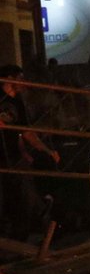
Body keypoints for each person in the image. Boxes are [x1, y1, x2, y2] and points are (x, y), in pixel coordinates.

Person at [0, 65, 60, 240]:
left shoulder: (18, 102)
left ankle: (25, 231)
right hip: (1, 155)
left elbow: (25, 132)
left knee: (23, 193)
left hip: (13, 155)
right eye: (20, 78)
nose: (23, 83)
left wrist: (47, 150)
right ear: (9, 79)